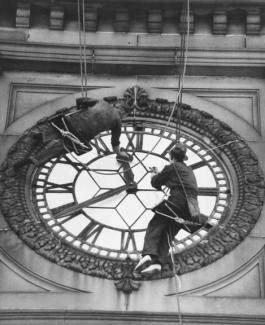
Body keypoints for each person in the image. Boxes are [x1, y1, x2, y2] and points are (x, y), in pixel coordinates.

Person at [135, 142, 210, 276]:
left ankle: (147, 254)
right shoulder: (188, 170)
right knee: (167, 234)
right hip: (191, 206)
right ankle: (157, 263)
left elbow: (156, 183)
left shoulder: (172, 167)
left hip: (177, 201)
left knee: (155, 224)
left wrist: (154, 174)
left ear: (171, 156)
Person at [13, 97, 129, 170]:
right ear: (123, 113)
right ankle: (35, 159)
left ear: (116, 105)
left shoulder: (102, 103)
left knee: (57, 128)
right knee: (60, 148)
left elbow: (81, 100)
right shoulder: (117, 121)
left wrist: (82, 108)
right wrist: (120, 154)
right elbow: (115, 143)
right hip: (80, 136)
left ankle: (41, 136)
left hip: (69, 123)